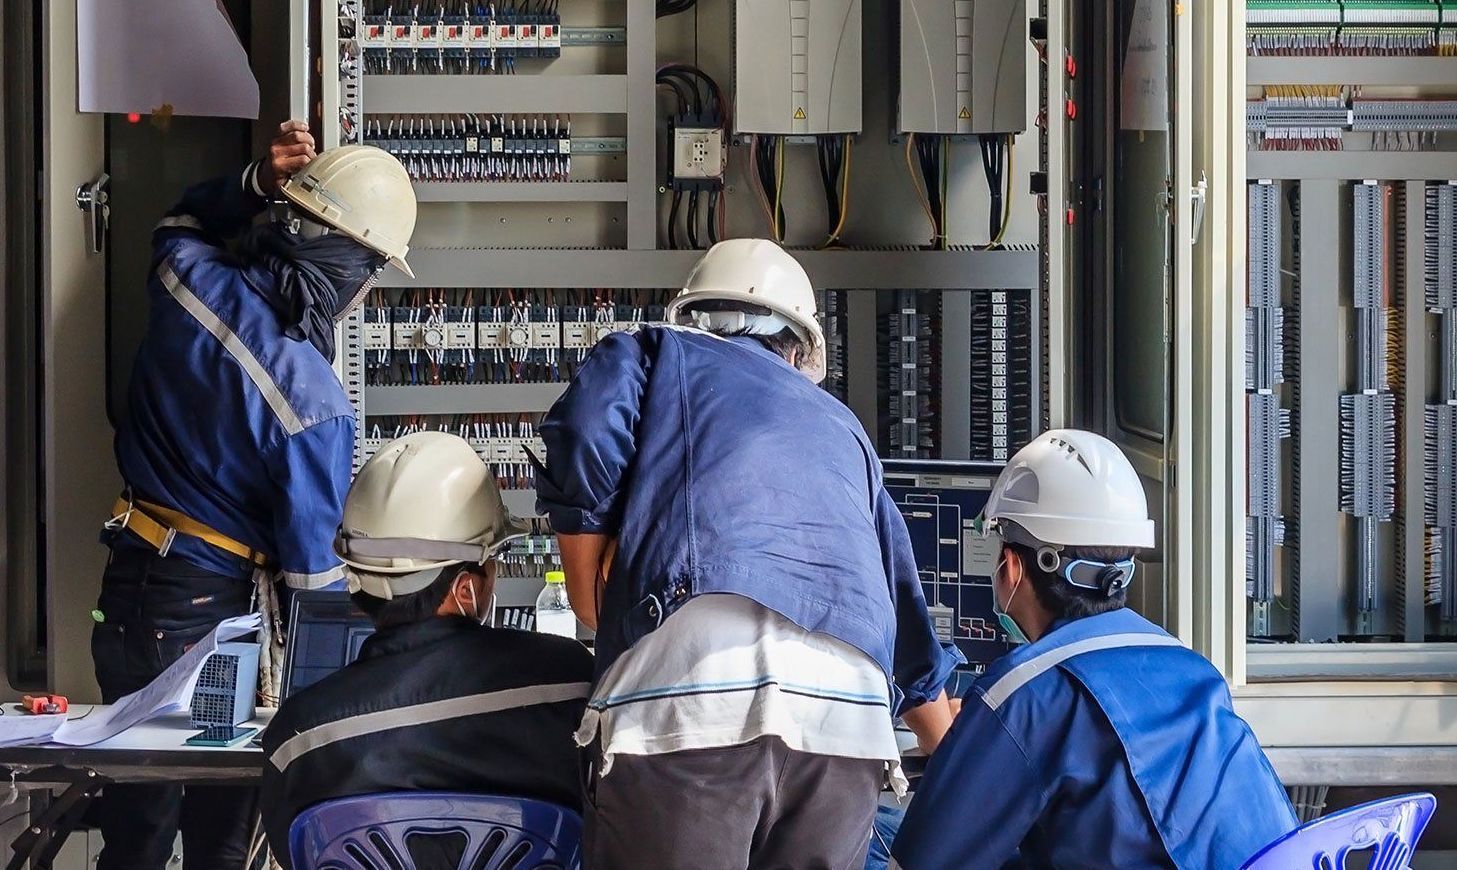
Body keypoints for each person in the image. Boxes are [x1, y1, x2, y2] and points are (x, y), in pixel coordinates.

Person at [535, 238, 963, 870]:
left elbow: (585, 430)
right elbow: (903, 609)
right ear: (798, 350)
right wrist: (948, 756)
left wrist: (585, 584)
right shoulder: (844, 428)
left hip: (689, 701)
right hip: (845, 728)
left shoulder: (651, 350)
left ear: (694, 316)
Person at [92, 122, 418, 869]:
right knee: (223, 836)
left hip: (130, 589)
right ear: (348, 267)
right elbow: (313, 586)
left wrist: (257, 183)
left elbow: (184, 216)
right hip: (211, 624)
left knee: (135, 833)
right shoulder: (313, 407)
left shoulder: (183, 276)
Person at [890, 430, 1298, 870]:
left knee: (879, 835)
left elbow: (923, 862)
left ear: (1011, 566)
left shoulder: (1025, 692)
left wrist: (970, 742)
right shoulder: (1193, 668)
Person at [261, 431, 594, 868]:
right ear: (466, 589)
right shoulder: (572, 687)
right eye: (493, 559)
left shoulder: (296, 740)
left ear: (356, 578)